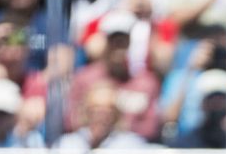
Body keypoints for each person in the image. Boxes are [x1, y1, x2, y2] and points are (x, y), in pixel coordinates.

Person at [67, 10, 162, 142]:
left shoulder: (145, 82)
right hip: (89, 145)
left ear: (129, 42)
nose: (118, 46)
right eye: (113, 40)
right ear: (105, 42)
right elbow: (69, 120)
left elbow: (151, 127)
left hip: (130, 149)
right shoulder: (85, 78)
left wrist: (118, 125)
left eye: (123, 40)